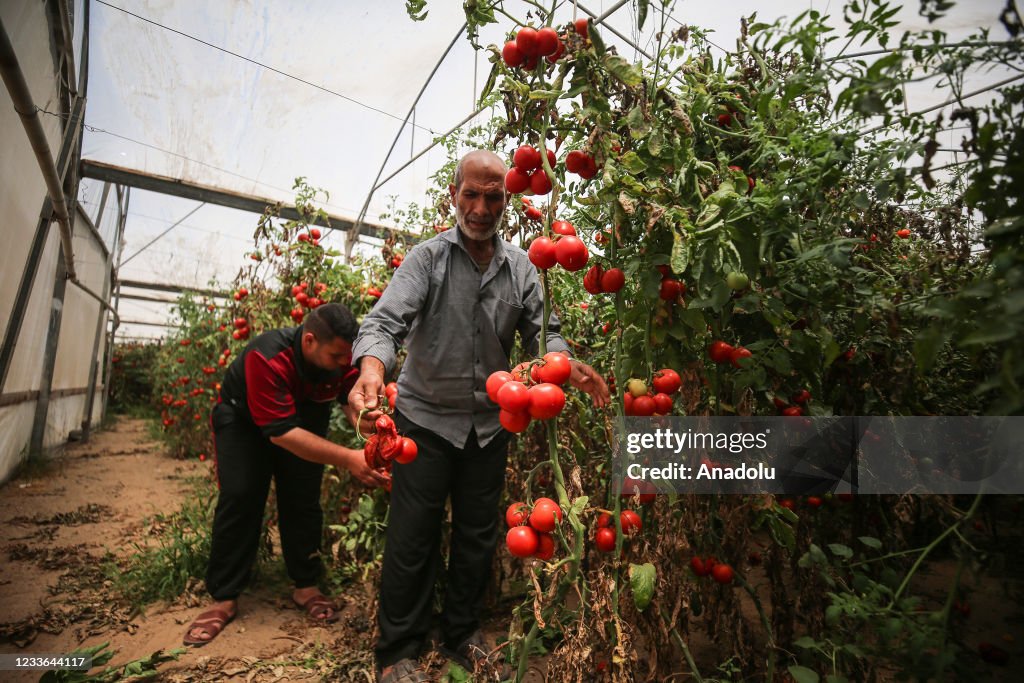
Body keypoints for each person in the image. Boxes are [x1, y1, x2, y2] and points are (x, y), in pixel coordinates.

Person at [348, 149, 610, 682]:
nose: (482, 206)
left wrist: (565, 362)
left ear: (506, 201)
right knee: (412, 536)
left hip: (490, 426)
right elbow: (384, 322)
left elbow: (544, 333)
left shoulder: (523, 268)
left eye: (494, 197)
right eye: (472, 194)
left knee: (476, 536)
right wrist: (371, 368)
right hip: (424, 421)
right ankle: (397, 652)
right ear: (455, 195)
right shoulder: (428, 260)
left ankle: (461, 632)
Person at [183, 303, 390, 647]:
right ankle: (223, 597)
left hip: (305, 414)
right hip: (244, 423)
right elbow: (280, 433)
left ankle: (305, 586)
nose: (344, 364)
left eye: (347, 357)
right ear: (309, 341)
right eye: (337, 355)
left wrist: (374, 430)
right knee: (241, 496)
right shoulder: (266, 357)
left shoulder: (340, 359)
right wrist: (351, 459)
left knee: (303, 498)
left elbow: (349, 402)